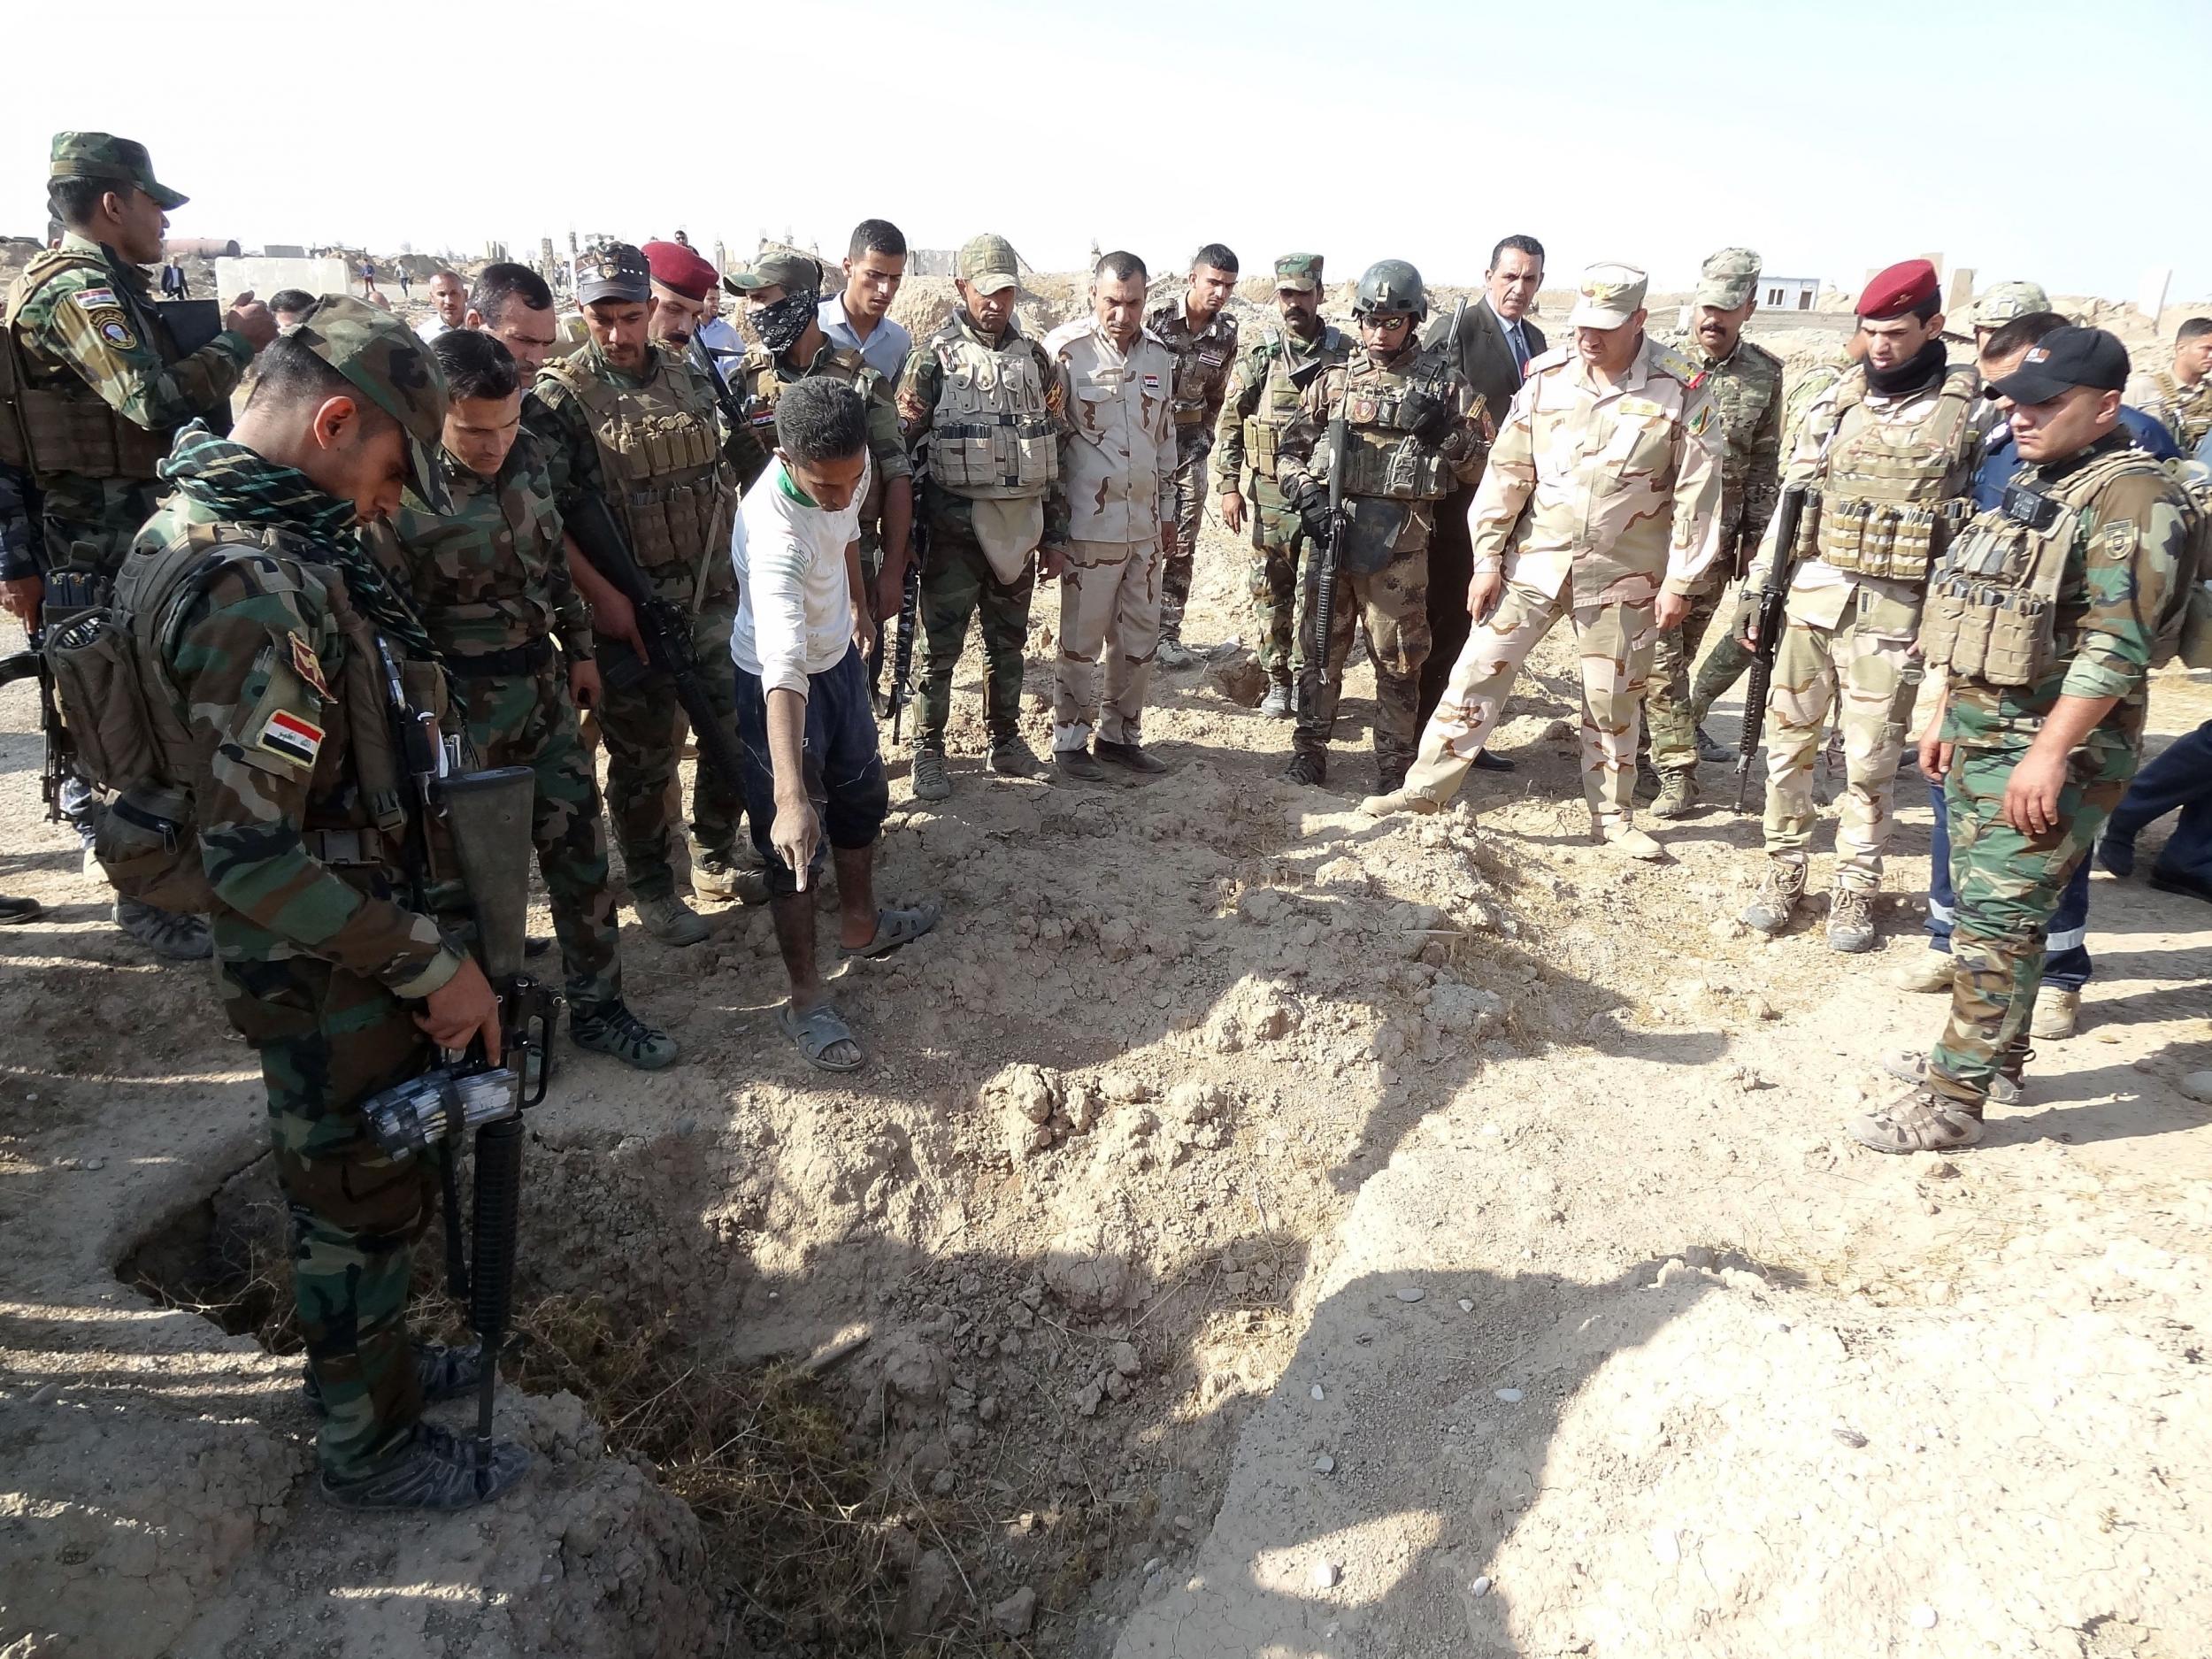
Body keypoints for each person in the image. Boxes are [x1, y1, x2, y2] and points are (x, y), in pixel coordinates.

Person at [114, 296, 529, 1505]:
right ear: (335, 419)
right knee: (354, 1199)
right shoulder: (248, 588)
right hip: (316, 956)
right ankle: (371, 1444)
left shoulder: (198, 523)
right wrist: (427, 961)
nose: (390, 500)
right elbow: (254, 859)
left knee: (359, 1183)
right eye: (391, 465)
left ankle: (376, 1369)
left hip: (323, 940)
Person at [1857, 326, 2188, 1152]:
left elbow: (2119, 644)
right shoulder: (2047, 477)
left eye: (2046, 403)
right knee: (1995, 915)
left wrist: (2046, 752)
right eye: (2015, 398)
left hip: (2056, 750)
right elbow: (1984, 600)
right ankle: (1999, 1056)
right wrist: (1942, 713)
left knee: (1997, 924)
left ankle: (1953, 1099)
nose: (2021, 414)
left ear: (2107, 406)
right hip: (1983, 731)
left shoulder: (2136, 499)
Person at [2, 131, 278, 959]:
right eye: (154, 203)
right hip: (98, 543)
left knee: (156, 709)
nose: (163, 220)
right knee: (132, 726)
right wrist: (239, 342)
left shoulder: (95, 284)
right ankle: (149, 895)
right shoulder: (79, 290)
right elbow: (151, 401)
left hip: (115, 537)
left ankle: (174, 882)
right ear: (113, 203)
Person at [369, 328, 678, 1069]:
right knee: (477, 881)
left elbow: (552, 574)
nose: (493, 444)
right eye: (474, 430)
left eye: (507, 425)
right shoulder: (397, 491)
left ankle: (599, 1007)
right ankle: (492, 1030)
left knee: (580, 857)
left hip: (541, 692)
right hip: (457, 712)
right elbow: (386, 622)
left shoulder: (529, 458)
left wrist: (578, 655)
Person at [1364, 263, 1720, 858]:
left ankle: (1612, 817)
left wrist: (1682, 579)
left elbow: (1698, 493)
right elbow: (1507, 473)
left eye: (1605, 327)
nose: (1589, 337)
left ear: (1639, 321)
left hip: (1623, 573)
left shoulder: (1679, 387)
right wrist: (1486, 560)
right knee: (1476, 671)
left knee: (1611, 700)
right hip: (1536, 562)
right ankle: (1424, 791)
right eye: (1583, 323)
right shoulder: (1548, 376)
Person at [1737, 260, 1982, 949]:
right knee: (1789, 750)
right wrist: (1760, 588)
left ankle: (1856, 888)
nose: (1880, 345)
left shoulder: (1970, 412)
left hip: (1898, 616)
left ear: (1933, 326)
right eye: (1870, 330)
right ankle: (1783, 870)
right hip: (1814, 603)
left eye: (1896, 331)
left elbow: (1972, 532)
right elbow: (1792, 504)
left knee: (1871, 763)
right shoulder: (1836, 403)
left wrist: (1950, 635)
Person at [526, 242, 752, 945]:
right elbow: (551, 518)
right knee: (643, 758)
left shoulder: (689, 377)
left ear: (651, 308)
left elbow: (723, 475)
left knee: (733, 733)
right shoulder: (559, 400)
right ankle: (655, 884)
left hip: (710, 599)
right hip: (628, 613)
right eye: (602, 319)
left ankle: (715, 856)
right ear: (581, 312)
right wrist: (604, 600)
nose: (619, 335)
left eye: (630, 316)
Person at [731, 378, 939, 1069]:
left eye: (853, 479)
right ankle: (807, 998)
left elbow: (849, 528)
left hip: (839, 659)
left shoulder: (845, 467)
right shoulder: (773, 536)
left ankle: (862, 923)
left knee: (861, 795)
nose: (841, 493)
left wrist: (856, 602)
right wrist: (789, 797)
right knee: (793, 844)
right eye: (824, 485)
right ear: (786, 458)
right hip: (779, 686)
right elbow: (781, 668)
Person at [1274, 259, 1488, 792]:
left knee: (1399, 658)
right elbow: (1287, 452)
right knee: (1320, 646)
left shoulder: (1448, 388)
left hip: (1401, 545)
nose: (1377, 332)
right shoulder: (1334, 380)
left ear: (1413, 321)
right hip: (1334, 533)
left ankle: (1394, 764)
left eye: (1391, 321)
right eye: (1370, 319)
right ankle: (1309, 748)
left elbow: (1485, 466)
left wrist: (1443, 432)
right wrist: (1305, 495)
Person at [894, 232, 1065, 801]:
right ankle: (927, 752)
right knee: (938, 650)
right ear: (961, 287)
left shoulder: (1035, 359)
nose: (996, 303)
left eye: (1006, 292)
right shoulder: (931, 358)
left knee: (1007, 643)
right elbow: (901, 450)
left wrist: (1055, 535)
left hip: (1019, 528)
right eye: (984, 291)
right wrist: (902, 538)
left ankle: (1007, 739)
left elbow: (1055, 446)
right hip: (952, 534)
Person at [1642, 248, 1784, 818]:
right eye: (1705, 308)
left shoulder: (1764, 373)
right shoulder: (1661, 366)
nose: (1712, 321)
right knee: (1660, 656)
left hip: (1719, 545)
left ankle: (1669, 739)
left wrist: (1754, 534)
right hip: (1658, 541)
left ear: (1747, 309)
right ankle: (1676, 771)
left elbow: (1765, 461)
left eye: (1726, 310)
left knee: (1682, 652)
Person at [1044, 251, 1179, 780]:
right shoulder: (1066, 354)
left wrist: (1168, 512)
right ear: (1093, 297)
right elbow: (1050, 445)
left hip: (1143, 529)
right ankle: (1069, 742)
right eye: (1111, 303)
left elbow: (1164, 439)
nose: (1122, 315)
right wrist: (1052, 530)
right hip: (1089, 527)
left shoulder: (1159, 357)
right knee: (1081, 640)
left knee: (1139, 639)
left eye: (1132, 303)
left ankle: (1120, 735)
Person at [726, 248, 910, 631]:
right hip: (776, 555)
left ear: (801, 301)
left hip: (849, 558)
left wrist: (891, 569)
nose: (752, 312)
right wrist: (735, 460)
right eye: (749, 301)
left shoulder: (862, 381)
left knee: (854, 674)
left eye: (762, 298)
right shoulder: (744, 382)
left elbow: (896, 473)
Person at [1417, 233, 1548, 772]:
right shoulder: (1456, 331)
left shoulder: (1536, 340)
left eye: (1530, 278)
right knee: (1446, 616)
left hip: (1510, 505)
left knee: (1483, 627)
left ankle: (1467, 733)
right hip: (1456, 503)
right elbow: (1426, 409)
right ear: (1488, 276)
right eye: (1510, 276)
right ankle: (1429, 733)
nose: (1519, 287)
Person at [1211, 254, 1352, 717]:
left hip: (1324, 498)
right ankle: (1277, 681)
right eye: (1286, 295)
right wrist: (1229, 484)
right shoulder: (1263, 354)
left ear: (1320, 295)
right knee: (1270, 589)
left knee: (1319, 591)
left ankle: (1308, 679)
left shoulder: (1345, 353)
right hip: (1270, 496)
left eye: (1303, 293)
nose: (1294, 303)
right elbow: (1231, 422)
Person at [1147, 244, 1239, 668]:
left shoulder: (1226, 333)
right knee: (1136, 534)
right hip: (1145, 442)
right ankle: (1131, 627)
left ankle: (1166, 634)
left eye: (1228, 286)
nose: (1219, 292)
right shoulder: (1155, 318)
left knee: (1182, 541)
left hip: (1189, 446)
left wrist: (1203, 437)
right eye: (1213, 282)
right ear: (1193, 279)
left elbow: (1217, 394)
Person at [819, 219, 912, 383]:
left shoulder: (900, 342)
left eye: (895, 278)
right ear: (848, 268)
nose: (885, 289)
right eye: (874, 275)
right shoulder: (812, 326)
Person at [2124, 317, 2212, 456]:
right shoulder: (2142, 389)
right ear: (2181, 348)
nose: (2211, 355)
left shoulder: (2208, 391)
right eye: (2206, 349)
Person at [465, 262, 561, 374]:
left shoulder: (545, 388)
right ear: (475, 324)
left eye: (546, 344)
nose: (537, 360)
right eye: (523, 340)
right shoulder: (443, 388)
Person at [414, 270, 465, 342]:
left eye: (454, 294)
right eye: (442, 294)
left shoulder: (482, 329)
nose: (448, 301)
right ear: (432, 298)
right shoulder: (423, 335)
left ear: (465, 295)